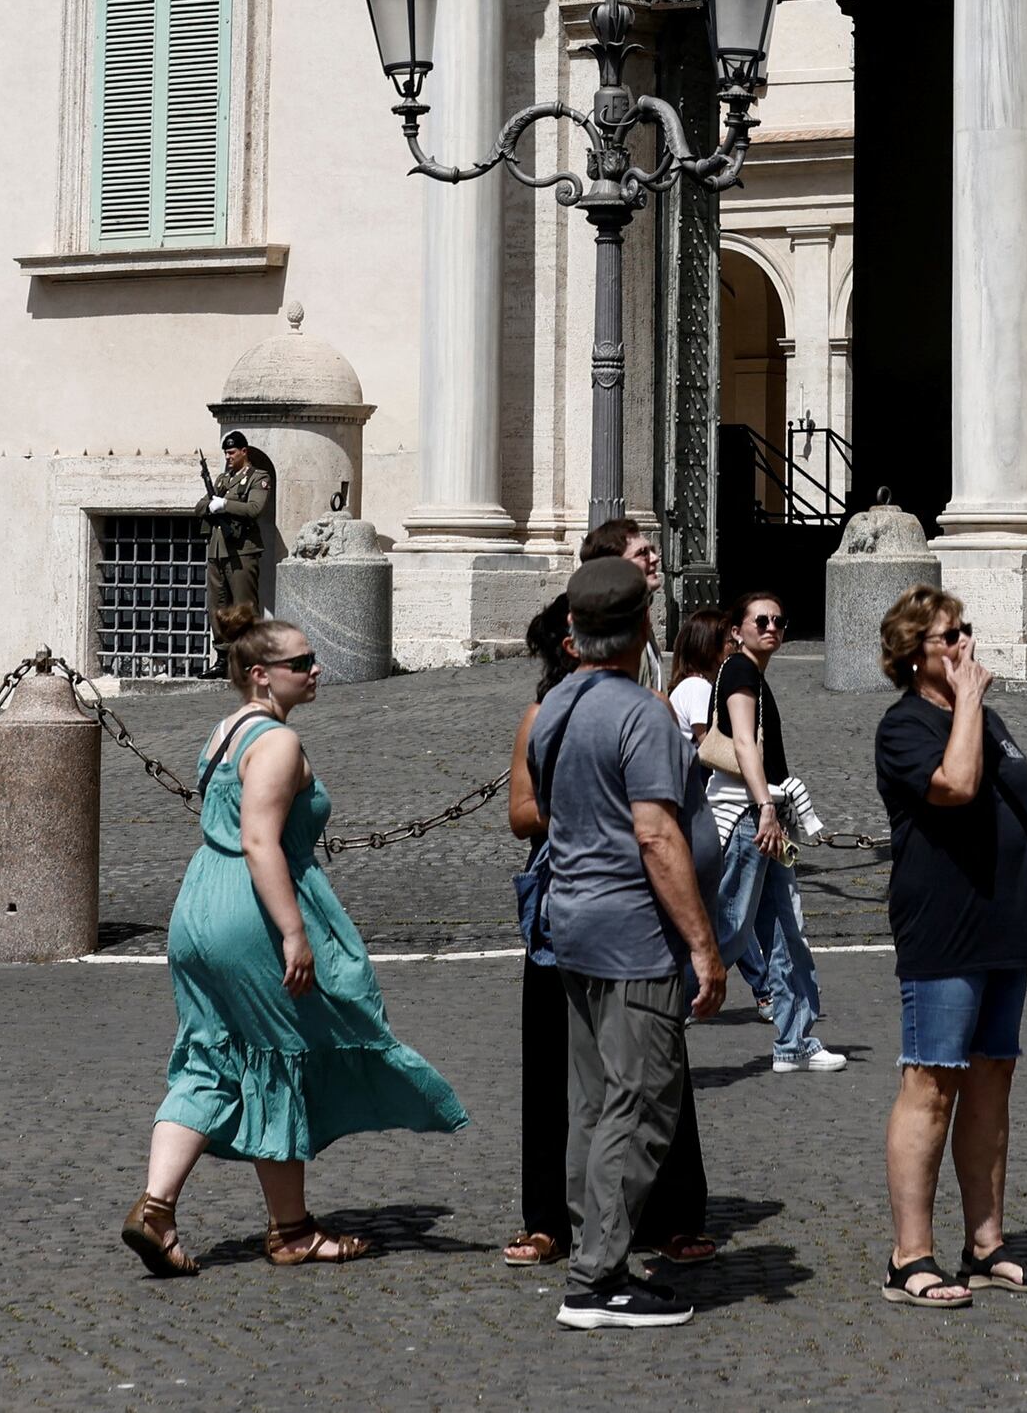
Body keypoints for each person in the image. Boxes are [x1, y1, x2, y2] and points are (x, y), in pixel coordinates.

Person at [123, 618, 465, 1274]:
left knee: (212, 1054)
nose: (315, 668)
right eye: (300, 660)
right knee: (278, 1055)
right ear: (260, 673)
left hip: (199, 904)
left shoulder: (228, 730)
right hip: (249, 908)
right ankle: (291, 1231)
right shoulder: (277, 741)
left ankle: (156, 1208)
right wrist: (294, 931)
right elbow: (259, 839)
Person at [517, 559, 729, 1331]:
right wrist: (704, 946)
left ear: (573, 631)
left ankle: (591, 1247)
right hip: (630, 932)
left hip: (571, 925)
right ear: (645, 627)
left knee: (594, 1100)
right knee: (640, 1101)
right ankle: (597, 1276)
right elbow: (655, 833)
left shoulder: (556, 705)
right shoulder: (639, 713)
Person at [868, 586, 1027, 1311]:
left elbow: (1017, 806)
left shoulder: (989, 717)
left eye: (968, 631)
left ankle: (985, 1245)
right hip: (944, 927)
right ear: (916, 652)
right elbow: (956, 784)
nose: (966, 645)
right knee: (932, 1083)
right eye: (952, 635)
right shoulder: (904, 726)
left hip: (1004, 924)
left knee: (991, 1082)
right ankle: (908, 1256)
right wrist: (969, 699)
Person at [712, 591, 841, 1070]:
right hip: (751, 820)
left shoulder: (752, 675)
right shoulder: (741, 671)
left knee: (788, 931)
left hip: (768, 818)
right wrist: (765, 805)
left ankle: (794, 1040)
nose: (772, 628)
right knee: (728, 928)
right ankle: (663, 1012)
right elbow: (744, 742)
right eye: (760, 620)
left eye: (779, 622)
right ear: (736, 629)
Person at [200, 432, 282, 641]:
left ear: (244, 451)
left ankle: (248, 655)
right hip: (217, 550)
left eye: (232, 452)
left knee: (243, 606)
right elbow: (199, 506)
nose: (228, 457)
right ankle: (222, 657)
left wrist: (226, 505)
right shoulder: (222, 480)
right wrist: (211, 506)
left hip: (242, 550)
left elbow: (255, 508)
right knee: (217, 606)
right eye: (225, 453)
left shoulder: (258, 477)